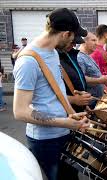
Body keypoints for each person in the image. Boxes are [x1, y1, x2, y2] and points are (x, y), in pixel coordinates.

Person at [12, 8, 90, 180]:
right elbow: (20, 111)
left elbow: (56, 92)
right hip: (45, 143)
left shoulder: (54, 53)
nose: (74, 42)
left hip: (65, 134)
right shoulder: (28, 62)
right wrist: (65, 122)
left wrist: (73, 114)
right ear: (65, 34)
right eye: (73, 36)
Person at [78, 32, 107, 108]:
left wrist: (103, 85)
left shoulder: (87, 56)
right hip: (90, 103)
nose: (96, 43)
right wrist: (99, 80)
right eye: (93, 40)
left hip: (96, 101)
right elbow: (80, 79)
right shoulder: (80, 58)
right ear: (84, 42)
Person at [91, 24, 107, 89]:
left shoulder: (101, 48)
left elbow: (104, 66)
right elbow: (94, 73)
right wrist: (104, 87)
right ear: (105, 34)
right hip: (103, 87)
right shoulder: (96, 51)